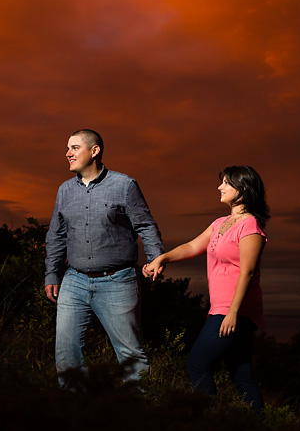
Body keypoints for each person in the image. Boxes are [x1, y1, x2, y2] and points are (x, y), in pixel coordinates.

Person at [143, 165, 269, 412]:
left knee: (197, 364)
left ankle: (208, 422)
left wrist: (233, 312)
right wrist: (162, 258)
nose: (219, 187)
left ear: (243, 188)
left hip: (236, 311)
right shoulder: (220, 222)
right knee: (241, 374)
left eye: (226, 183)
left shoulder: (250, 226)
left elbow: (248, 271)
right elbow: (191, 247)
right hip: (223, 309)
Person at [45, 129, 164, 387]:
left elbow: (145, 225)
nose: (68, 153)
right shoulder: (64, 191)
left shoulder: (124, 186)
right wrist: (52, 273)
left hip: (117, 282)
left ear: (94, 150)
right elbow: (56, 235)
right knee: (66, 355)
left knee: (130, 355)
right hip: (73, 281)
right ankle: (79, 415)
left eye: (75, 147)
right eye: (68, 148)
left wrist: (156, 258)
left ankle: (143, 417)